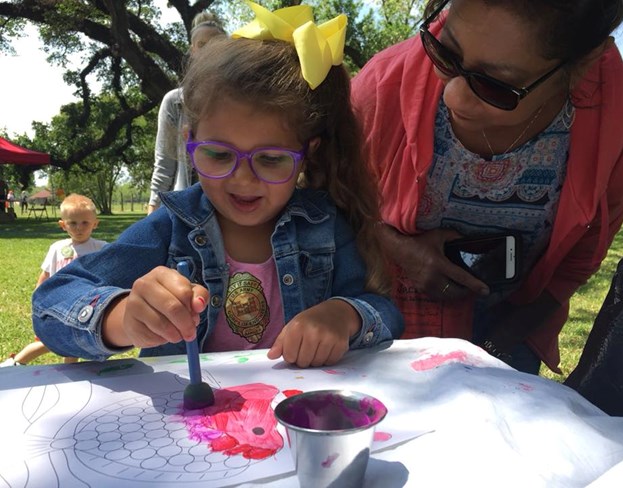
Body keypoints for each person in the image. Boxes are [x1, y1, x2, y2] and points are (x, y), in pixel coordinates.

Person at [32, 2, 404, 369]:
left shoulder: (323, 225)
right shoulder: (171, 227)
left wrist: (344, 315)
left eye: (271, 159)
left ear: (307, 153)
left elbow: (385, 312)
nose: (243, 179)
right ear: (189, 140)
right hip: (186, 424)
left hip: (293, 417)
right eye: (219, 155)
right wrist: (124, 317)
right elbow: (51, 303)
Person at [351, 0, 623, 374]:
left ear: (584, 63)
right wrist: (400, 249)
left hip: (510, 335)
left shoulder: (620, 121)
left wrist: (497, 348)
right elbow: (325, 201)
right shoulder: (384, 82)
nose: (453, 96)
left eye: (495, 85)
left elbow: (580, 259)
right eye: (446, 53)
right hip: (378, 325)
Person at [2, 194, 107, 367]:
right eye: (73, 223)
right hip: (59, 305)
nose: (79, 228)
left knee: (74, 343)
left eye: (85, 223)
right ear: (62, 225)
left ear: (95, 224)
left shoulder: (101, 248)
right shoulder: (57, 248)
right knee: (50, 342)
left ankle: (70, 370)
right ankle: (14, 363)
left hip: (87, 307)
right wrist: (38, 301)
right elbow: (45, 276)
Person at [147, 11, 227, 215]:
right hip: (183, 211)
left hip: (226, 208)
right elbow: (164, 165)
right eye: (202, 44)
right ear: (193, 50)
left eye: (216, 43)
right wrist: (150, 214)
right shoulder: (174, 102)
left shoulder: (240, 102)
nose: (209, 50)